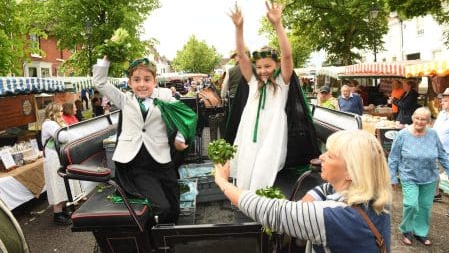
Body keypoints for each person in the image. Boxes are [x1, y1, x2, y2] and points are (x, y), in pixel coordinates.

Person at [214, 129, 392, 252]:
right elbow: (328, 188)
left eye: (330, 155)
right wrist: (305, 205)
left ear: (351, 173)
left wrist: (223, 182)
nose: (321, 157)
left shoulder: (334, 217)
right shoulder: (375, 196)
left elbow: (271, 211)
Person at [93, 56, 190, 224]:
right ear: (129, 83)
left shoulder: (165, 97)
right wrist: (105, 61)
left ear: (155, 81)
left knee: (174, 205)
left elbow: (185, 116)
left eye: (147, 79)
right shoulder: (124, 100)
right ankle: (152, 240)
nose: (142, 84)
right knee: (162, 207)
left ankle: (168, 238)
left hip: (161, 160)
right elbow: (100, 82)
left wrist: (179, 139)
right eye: (136, 80)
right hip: (137, 164)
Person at [227, 1, 294, 191]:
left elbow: (287, 55)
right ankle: (246, 202)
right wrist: (239, 27)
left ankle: (263, 208)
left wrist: (277, 24)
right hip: (249, 131)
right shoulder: (253, 83)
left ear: (276, 66)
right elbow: (241, 55)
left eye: (268, 66)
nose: (263, 71)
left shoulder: (282, 84)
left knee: (265, 170)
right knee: (246, 165)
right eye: (259, 67)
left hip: (272, 133)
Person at [388, 107, 449, 246]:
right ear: (412, 118)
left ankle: (420, 232)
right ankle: (406, 230)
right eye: (417, 118)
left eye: (423, 119)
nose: (420, 122)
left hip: (429, 177)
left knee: (425, 206)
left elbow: (442, 154)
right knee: (411, 204)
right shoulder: (403, 134)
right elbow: (393, 157)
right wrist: (392, 176)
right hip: (409, 176)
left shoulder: (433, 134)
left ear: (428, 121)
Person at [41, 102, 72, 225]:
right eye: (59, 111)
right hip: (53, 158)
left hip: (57, 157)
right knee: (56, 184)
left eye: (61, 111)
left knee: (62, 184)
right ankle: (57, 214)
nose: (61, 113)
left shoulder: (55, 123)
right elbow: (63, 137)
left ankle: (63, 210)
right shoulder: (49, 124)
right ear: (52, 112)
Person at [432, 88, 449, 204]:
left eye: (445, 100)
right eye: (442, 100)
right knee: (433, 171)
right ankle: (435, 194)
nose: (441, 102)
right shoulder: (442, 113)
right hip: (437, 150)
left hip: (448, 153)